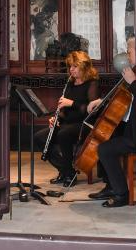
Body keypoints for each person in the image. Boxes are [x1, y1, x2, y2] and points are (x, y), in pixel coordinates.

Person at [33, 50, 99, 185]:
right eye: (70, 66)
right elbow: (63, 109)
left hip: (84, 124)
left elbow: (91, 110)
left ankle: (68, 174)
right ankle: (65, 170)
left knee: (63, 134)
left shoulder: (92, 83)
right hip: (67, 124)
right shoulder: (70, 83)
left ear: (84, 67)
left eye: (75, 66)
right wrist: (57, 119)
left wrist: (72, 103)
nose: (71, 70)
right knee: (39, 137)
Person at [86, 36, 136, 208]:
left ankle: (122, 194)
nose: (127, 56)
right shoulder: (133, 71)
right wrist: (101, 101)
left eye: (130, 51)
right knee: (105, 137)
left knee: (104, 149)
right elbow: (121, 97)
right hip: (130, 127)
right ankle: (110, 186)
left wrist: (133, 82)